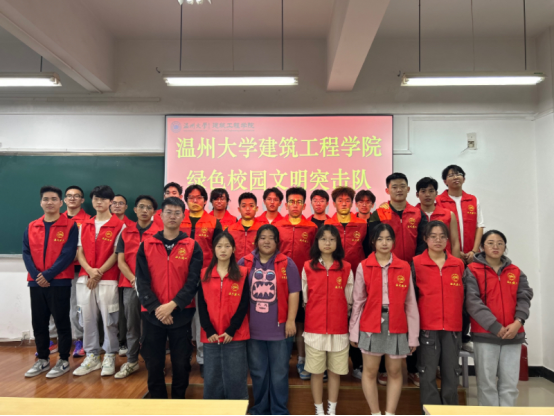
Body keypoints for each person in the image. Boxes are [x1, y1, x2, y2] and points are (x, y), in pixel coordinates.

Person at [136, 197, 203, 400]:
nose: (172, 216)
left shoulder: (192, 245)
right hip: (152, 313)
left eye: (177, 213)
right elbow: (141, 280)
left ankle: (178, 400)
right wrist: (157, 308)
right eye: (169, 212)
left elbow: (193, 281)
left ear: (183, 216)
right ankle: (157, 401)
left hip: (181, 313)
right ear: (161, 215)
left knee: (181, 362)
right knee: (154, 361)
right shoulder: (147, 245)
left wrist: (172, 305)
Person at [350, 224, 420, 416]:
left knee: (395, 372)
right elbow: (358, 302)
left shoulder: (404, 266)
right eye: (380, 239)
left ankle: (390, 413)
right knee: (370, 371)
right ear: (373, 241)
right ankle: (375, 413)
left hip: (397, 322)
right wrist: (354, 332)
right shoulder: (364, 266)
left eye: (388, 239)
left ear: (394, 242)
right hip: (370, 323)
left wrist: (413, 336)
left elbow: (411, 303)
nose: (384, 243)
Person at [464, 230, 533, 407]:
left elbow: (524, 298)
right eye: (490, 243)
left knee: (510, 385)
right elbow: (472, 302)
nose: (495, 246)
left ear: (505, 247)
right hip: (485, 335)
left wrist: (518, 322)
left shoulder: (516, 271)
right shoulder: (472, 271)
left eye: (500, 243)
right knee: (486, 385)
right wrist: (495, 326)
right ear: (482, 247)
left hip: (513, 334)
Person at [370, 173, 427, 386]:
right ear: (387, 190)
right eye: (394, 187)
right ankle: (384, 369)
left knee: (412, 315)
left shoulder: (418, 213)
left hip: (412, 271)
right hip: (385, 270)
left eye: (402, 186)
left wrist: (414, 266)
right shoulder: (379, 213)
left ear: (408, 189)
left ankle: (413, 368)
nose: (399, 190)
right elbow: (371, 242)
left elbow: (423, 242)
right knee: (385, 318)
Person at [238, 225, 301, 416]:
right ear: (256, 241)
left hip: (280, 329)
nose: (266, 241)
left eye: (271, 238)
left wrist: (291, 320)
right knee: (258, 371)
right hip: (253, 329)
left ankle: (279, 410)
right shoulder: (245, 262)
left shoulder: (287, 263)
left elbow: (294, 292)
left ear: (277, 242)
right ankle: (260, 409)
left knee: (279, 372)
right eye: (263, 237)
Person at [23, 186, 78, 379]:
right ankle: (43, 359)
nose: (50, 202)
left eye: (54, 199)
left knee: (62, 322)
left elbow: (68, 254)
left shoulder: (70, 225)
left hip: (59, 282)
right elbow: (26, 252)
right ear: (41, 203)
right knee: (39, 322)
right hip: (36, 282)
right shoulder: (32, 226)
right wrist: (37, 275)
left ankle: (63, 360)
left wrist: (48, 275)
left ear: (61, 202)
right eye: (46, 199)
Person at [412, 221, 465, 409]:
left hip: (453, 328)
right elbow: (411, 299)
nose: (438, 240)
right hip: (427, 327)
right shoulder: (416, 263)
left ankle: (450, 411)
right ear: (425, 239)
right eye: (433, 236)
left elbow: (465, 298)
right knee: (427, 374)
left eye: (442, 236)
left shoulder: (458, 264)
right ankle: (431, 411)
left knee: (451, 373)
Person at [73, 185, 124, 378]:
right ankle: (92, 356)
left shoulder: (120, 225)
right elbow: (79, 251)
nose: (99, 202)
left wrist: (98, 273)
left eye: (103, 199)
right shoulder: (85, 224)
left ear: (110, 202)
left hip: (108, 279)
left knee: (110, 320)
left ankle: (110, 355)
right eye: (96, 198)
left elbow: (117, 253)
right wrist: (89, 271)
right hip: (85, 279)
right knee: (86, 318)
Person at [303, 225, 354, 416]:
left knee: (335, 372)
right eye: (323, 239)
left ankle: (331, 410)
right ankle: (319, 409)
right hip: (314, 330)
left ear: (337, 243)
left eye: (332, 239)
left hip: (338, 329)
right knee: (316, 372)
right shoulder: (308, 267)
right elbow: (305, 299)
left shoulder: (346, 267)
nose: (327, 243)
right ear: (317, 242)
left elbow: (350, 299)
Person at [437, 165, 486, 354]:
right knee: (452, 298)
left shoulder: (473, 200)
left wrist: (474, 251)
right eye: (451, 175)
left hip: (472, 257)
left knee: (469, 297)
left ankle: (465, 337)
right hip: (448, 258)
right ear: (445, 181)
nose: (455, 177)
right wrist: (455, 255)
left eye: (458, 174)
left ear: (464, 178)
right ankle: (448, 337)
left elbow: (480, 226)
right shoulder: (439, 201)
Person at [114, 195, 162, 379]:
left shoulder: (160, 232)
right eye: (141, 207)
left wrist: (145, 283)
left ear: (154, 212)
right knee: (132, 325)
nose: (144, 210)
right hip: (130, 284)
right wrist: (134, 280)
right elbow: (121, 261)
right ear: (134, 210)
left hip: (153, 287)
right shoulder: (126, 232)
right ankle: (132, 361)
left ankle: (154, 363)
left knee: (153, 326)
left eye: (149, 208)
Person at [198, 233, 250, 401]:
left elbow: (244, 304)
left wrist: (232, 329)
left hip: (235, 334)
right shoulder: (204, 274)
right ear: (213, 249)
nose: (223, 250)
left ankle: (238, 409)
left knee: (236, 376)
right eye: (219, 246)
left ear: (233, 249)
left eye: (227, 246)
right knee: (212, 376)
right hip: (211, 335)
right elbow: (202, 304)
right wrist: (208, 329)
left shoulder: (242, 273)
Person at [324, 187, 368, 380]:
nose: (343, 203)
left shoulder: (362, 224)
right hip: (334, 277)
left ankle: (357, 363)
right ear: (334, 203)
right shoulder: (327, 224)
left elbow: (367, 250)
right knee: (334, 318)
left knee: (356, 318)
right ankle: (329, 364)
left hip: (358, 277)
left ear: (352, 203)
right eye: (340, 200)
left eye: (347, 200)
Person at [275, 187, 318, 381]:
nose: (295, 205)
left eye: (299, 202)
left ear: (304, 205)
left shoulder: (312, 228)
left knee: (301, 323)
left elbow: (315, 256)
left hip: (303, 283)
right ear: (285, 205)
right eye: (291, 202)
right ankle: (280, 361)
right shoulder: (277, 226)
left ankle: (302, 359)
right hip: (279, 282)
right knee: (280, 322)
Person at [181, 184, 223, 377]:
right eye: (191, 197)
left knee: (201, 318)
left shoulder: (214, 222)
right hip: (180, 277)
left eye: (199, 197)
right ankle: (182, 359)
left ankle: (203, 358)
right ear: (186, 200)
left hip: (204, 277)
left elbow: (219, 250)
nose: (195, 201)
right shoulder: (178, 219)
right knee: (181, 317)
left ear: (205, 201)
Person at [62, 185, 90, 358]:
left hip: (78, 271)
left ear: (82, 200)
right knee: (56, 307)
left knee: (77, 307)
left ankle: (80, 339)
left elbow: (87, 247)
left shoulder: (88, 220)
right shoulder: (57, 219)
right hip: (57, 271)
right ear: (64, 200)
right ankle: (56, 340)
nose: (72, 198)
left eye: (76, 196)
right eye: (69, 195)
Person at [111, 194, 134, 357]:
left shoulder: (132, 226)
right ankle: (108, 342)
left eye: (121, 203)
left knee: (126, 311)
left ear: (126, 207)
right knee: (111, 311)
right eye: (114, 203)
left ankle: (124, 341)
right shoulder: (100, 223)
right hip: (107, 273)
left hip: (127, 274)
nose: (117, 206)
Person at [415, 177, 461, 259]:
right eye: (423, 191)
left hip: (445, 260)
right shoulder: (412, 215)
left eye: (431, 191)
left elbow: (455, 243)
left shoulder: (449, 215)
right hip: (419, 261)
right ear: (417, 194)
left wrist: (455, 263)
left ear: (436, 193)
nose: (427, 194)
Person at [227, 192, 263, 261]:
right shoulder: (230, 230)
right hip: (235, 267)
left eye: (251, 206)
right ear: (239, 209)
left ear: (256, 208)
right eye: (244, 206)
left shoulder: (263, 230)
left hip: (257, 267)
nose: (247, 209)